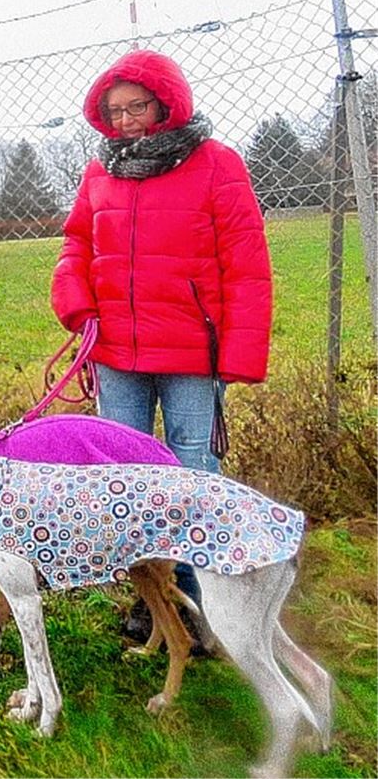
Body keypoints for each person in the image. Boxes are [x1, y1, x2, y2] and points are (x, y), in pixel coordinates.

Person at [51, 49, 272, 628]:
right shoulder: (100, 171)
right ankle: (153, 603)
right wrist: (75, 301)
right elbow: (77, 243)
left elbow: (246, 261)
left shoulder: (217, 164)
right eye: (113, 110)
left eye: (136, 107)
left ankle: (210, 602)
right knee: (124, 475)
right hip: (117, 350)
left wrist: (241, 353)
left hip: (191, 353)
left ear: (165, 104)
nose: (124, 120)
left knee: (191, 468)